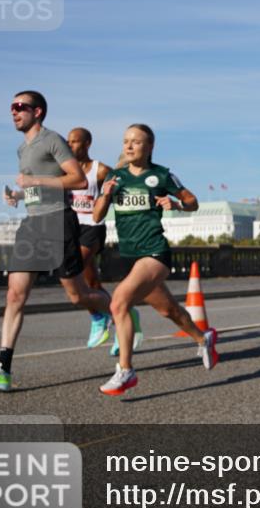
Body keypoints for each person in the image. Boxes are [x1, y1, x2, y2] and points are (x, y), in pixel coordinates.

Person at [0, 91, 113, 392]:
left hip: (59, 221)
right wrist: (18, 196)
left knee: (77, 295)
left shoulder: (52, 140)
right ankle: (2, 368)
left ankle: (116, 310)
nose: (14, 112)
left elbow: (79, 180)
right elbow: (35, 188)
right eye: (12, 108)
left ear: (38, 111)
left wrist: (34, 182)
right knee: (14, 295)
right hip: (32, 224)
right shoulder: (23, 149)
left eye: (20, 107)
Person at [92, 124, 218, 395]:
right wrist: (106, 195)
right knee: (168, 310)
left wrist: (178, 205)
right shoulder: (115, 177)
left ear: (149, 147)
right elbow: (96, 216)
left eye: (136, 142)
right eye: (125, 141)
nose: (129, 146)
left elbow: (193, 201)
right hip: (129, 256)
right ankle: (203, 338)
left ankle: (125, 370)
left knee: (119, 302)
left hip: (154, 252)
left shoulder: (161, 175)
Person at [66, 127, 130, 350]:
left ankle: (98, 318)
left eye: (75, 141)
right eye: (68, 141)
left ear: (87, 143)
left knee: (72, 269)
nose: (70, 145)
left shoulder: (100, 170)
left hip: (93, 228)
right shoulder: (65, 171)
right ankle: (124, 320)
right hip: (73, 229)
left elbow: (121, 188)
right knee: (91, 283)